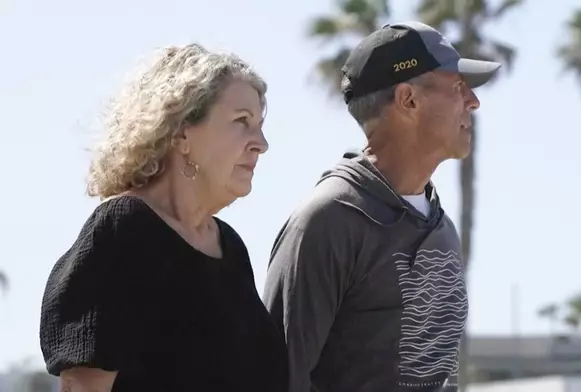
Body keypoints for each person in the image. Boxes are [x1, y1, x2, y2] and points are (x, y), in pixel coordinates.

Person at [263, 21, 501, 392]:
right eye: (457, 86)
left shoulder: (443, 229)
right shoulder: (326, 221)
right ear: (408, 100)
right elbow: (277, 378)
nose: (473, 101)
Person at [39, 43, 288, 392]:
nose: (260, 142)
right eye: (241, 121)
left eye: (260, 125)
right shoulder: (123, 230)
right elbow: (82, 386)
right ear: (182, 132)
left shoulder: (230, 247)